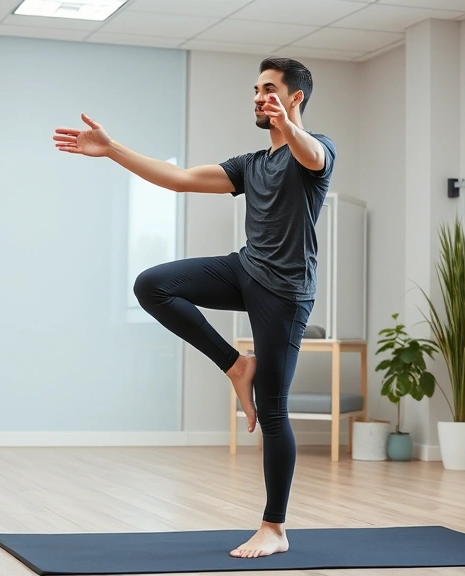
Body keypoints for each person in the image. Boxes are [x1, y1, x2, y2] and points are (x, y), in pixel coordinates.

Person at [53, 57, 335, 559]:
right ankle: (235, 364)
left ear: (296, 97)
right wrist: (112, 149)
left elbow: (311, 154)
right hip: (245, 269)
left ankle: (274, 527)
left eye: (269, 89)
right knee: (152, 285)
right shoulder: (252, 164)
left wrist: (290, 127)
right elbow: (180, 178)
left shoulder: (314, 153)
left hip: (286, 293)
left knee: (272, 409)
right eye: (255, 88)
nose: (257, 96)